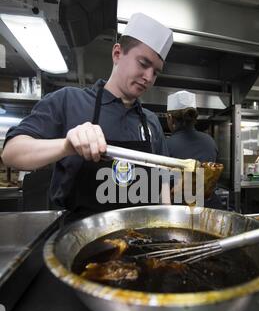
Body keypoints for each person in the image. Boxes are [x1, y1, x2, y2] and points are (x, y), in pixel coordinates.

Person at [1, 13, 173, 216]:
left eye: (156, 72)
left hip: (139, 237)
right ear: (117, 54)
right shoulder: (68, 101)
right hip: (79, 238)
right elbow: (12, 153)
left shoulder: (151, 121)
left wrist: (167, 220)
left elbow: (162, 180)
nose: (148, 77)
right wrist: (66, 145)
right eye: (143, 64)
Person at [166, 90, 223, 209]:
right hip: (210, 207)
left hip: (180, 211)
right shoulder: (210, 141)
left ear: (170, 118)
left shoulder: (166, 144)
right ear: (194, 119)